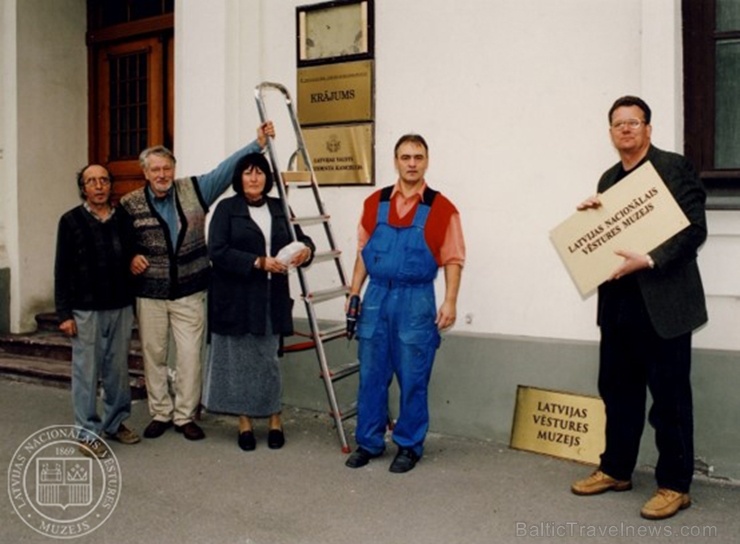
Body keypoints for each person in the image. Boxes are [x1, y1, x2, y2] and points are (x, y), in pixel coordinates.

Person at [570, 96, 708, 520]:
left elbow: (693, 230)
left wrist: (649, 259)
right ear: (610, 133)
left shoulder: (674, 167)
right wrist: (590, 219)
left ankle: (674, 485)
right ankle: (616, 469)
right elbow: (606, 237)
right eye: (618, 124)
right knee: (618, 391)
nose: (626, 130)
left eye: (634, 122)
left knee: (669, 398)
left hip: (664, 301)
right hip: (619, 306)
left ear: (648, 128)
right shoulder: (610, 178)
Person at [120, 122, 275, 441]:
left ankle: (185, 415)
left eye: (167, 168)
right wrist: (130, 257)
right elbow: (120, 242)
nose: (162, 175)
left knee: (190, 355)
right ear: (145, 173)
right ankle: (160, 412)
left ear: (174, 169)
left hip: (190, 289)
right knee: (154, 353)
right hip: (150, 292)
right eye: (155, 170)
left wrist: (256, 144)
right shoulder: (130, 203)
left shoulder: (194, 189)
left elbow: (224, 169)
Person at [345, 134, 465, 473]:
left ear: (427, 161)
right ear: (395, 161)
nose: (411, 163)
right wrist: (354, 293)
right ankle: (368, 441)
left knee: (414, 377)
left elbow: (454, 258)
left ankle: (409, 446)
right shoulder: (374, 203)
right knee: (371, 375)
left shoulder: (442, 208)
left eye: (418, 157)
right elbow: (364, 252)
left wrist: (450, 301)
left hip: (416, 301)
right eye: (405, 157)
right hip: (376, 297)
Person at [202, 153, 314, 451]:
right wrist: (257, 261)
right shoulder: (226, 209)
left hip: (270, 296)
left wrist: (306, 252)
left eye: (260, 173)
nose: (254, 178)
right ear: (239, 178)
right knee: (240, 362)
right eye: (248, 173)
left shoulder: (279, 207)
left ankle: (275, 418)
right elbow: (217, 251)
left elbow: (302, 239)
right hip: (236, 297)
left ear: (268, 177)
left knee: (268, 360)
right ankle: (245, 423)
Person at [55, 164, 140, 458]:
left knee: (117, 370)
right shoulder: (70, 221)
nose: (99, 186)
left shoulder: (123, 220)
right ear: (84, 188)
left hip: (120, 305)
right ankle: (86, 434)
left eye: (104, 180)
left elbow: (133, 254)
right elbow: (62, 270)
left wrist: (136, 259)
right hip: (85, 309)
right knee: (86, 373)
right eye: (92, 181)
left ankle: (115, 423)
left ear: (110, 185)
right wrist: (64, 314)